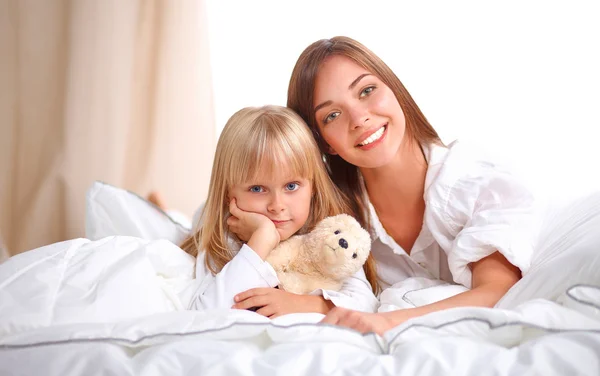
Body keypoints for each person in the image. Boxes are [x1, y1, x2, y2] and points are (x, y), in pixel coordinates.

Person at [286, 36, 535, 334]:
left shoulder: (470, 178)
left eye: (366, 91)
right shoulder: (335, 222)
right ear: (325, 143)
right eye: (332, 115)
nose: (359, 118)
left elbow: (497, 291)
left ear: (395, 90)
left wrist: (385, 322)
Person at [181, 105, 379, 317]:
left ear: (312, 187)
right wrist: (261, 240)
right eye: (257, 189)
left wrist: (303, 304)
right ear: (228, 192)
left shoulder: (327, 233)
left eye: (291, 186)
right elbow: (205, 313)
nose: (277, 205)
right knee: (197, 218)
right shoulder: (223, 239)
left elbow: (366, 303)